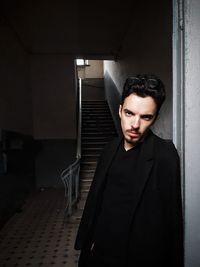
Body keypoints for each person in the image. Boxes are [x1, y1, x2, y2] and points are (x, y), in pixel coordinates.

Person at [74, 75, 184, 267]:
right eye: (129, 113)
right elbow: (95, 200)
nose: (135, 125)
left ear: (155, 118)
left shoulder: (165, 154)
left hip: (139, 257)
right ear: (119, 111)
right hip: (100, 252)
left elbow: (171, 219)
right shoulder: (109, 149)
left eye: (145, 117)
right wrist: (89, 242)